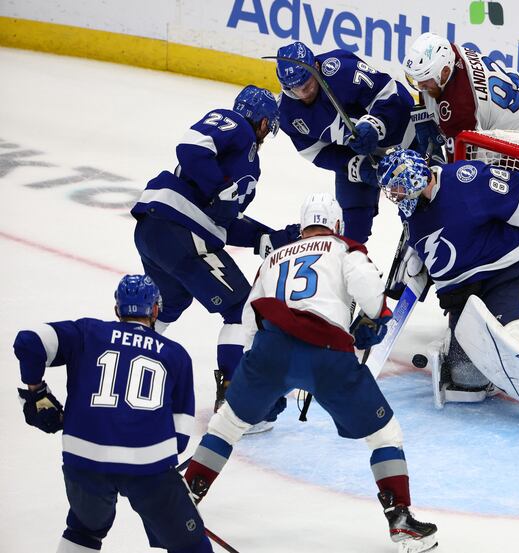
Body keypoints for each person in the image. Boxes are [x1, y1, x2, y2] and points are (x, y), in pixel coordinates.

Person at [182, 193, 438, 553]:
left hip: (271, 350)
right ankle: (400, 520)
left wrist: (260, 369)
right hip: (328, 353)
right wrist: (373, 320)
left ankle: (187, 496)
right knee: (385, 435)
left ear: (302, 228)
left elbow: (249, 319)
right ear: (336, 225)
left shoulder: (272, 258)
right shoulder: (344, 248)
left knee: (226, 426)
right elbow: (370, 294)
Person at [376, 149, 519, 438]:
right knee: (465, 379)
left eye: (399, 187)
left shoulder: (466, 180)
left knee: (509, 343)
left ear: (414, 178)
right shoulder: (410, 209)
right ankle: (494, 371)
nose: (395, 196)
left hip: (507, 271)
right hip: (464, 295)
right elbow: (425, 241)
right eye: (391, 190)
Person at [131, 85, 297, 426]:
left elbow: (222, 220)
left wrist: (268, 236)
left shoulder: (244, 163)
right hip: (179, 229)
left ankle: (126, 367)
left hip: (157, 231)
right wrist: (217, 187)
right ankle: (236, 406)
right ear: (264, 122)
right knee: (241, 307)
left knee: (170, 303)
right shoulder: (234, 123)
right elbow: (190, 148)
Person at [13, 274, 213, 553]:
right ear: (155, 310)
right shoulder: (175, 354)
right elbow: (180, 435)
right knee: (190, 545)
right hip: (149, 468)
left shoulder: (87, 333)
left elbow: (28, 341)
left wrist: (36, 392)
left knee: (83, 529)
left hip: (83, 461)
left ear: (117, 310)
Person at [274, 41, 419, 244]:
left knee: (419, 212)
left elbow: (393, 95)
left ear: (316, 67)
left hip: (402, 141)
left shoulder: (342, 69)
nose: (303, 93)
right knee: (349, 232)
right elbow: (315, 152)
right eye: (294, 89)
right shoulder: (287, 112)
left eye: (306, 84)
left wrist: (374, 126)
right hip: (356, 155)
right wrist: (356, 167)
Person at [403, 32, 519, 161]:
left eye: (425, 80)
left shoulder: (459, 108)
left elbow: (460, 171)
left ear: (444, 72)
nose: (420, 87)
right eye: (417, 80)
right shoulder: (448, 52)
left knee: (489, 190)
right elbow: (428, 95)